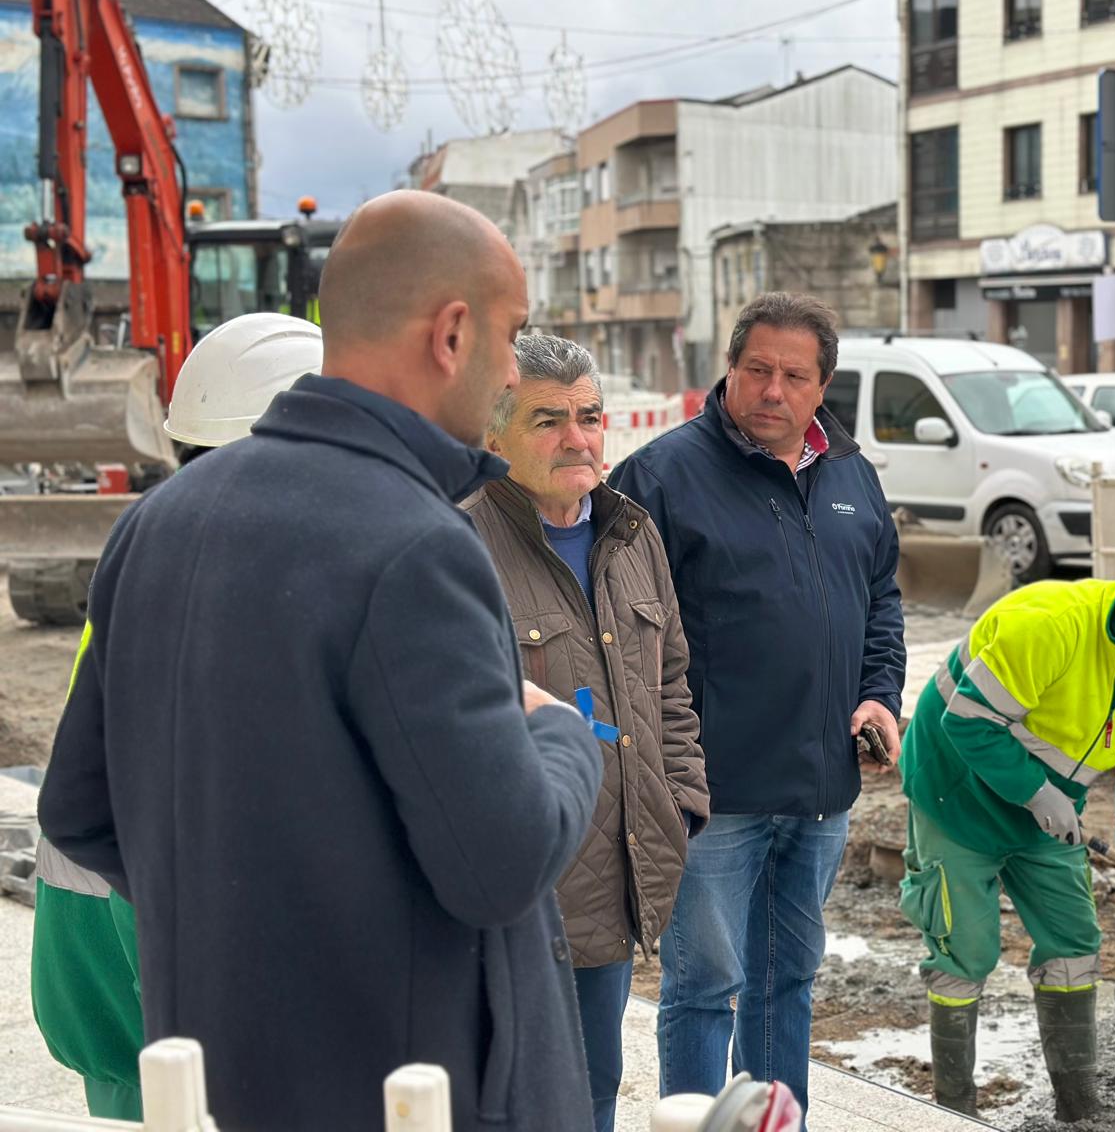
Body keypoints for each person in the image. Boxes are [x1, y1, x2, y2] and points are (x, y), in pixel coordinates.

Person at [36, 190, 603, 1132]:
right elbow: (500, 863)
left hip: (223, 1082)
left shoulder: (158, 525)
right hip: (411, 1095)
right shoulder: (416, 545)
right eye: (510, 336)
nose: (512, 369)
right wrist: (563, 734)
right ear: (451, 333)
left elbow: (80, 816)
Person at [607, 292, 905, 1124]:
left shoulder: (850, 475)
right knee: (705, 988)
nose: (773, 391)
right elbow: (620, 634)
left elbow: (880, 595)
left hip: (819, 790)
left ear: (822, 387)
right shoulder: (661, 477)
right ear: (731, 368)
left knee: (788, 983)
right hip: (715, 795)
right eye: (757, 370)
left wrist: (878, 695)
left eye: (794, 376)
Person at [31, 311, 323, 1122]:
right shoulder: (253, 564)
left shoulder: (150, 538)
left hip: (91, 924)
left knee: (140, 1098)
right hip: (163, 911)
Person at [897, 551, 1115, 1122]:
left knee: (1073, 942)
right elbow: (965, 720)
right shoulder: (1050, 625)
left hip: (1045, 814)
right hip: (955, 794)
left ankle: (1078, 1109)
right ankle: (955, 1111)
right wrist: (1036, 792)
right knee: (964, 952)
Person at [463, 333, 709, 1132]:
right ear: (493, 437)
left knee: (595, 1083)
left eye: (590, 416)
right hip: (520, 892)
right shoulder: (458, 548)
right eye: (548, 420)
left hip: (619, 873)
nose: (578, 436)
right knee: (511, 1097)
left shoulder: (633, 537)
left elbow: (669, 684)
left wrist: (681, 802)